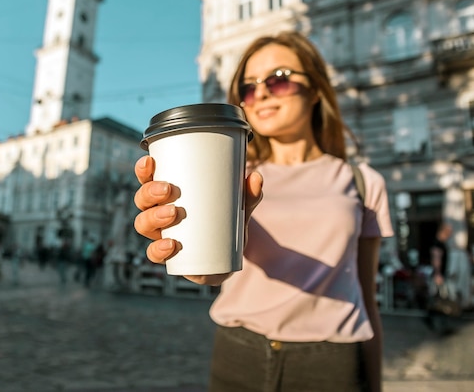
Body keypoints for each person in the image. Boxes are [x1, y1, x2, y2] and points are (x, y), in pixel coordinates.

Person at [134, 31, 393, 392]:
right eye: (249, 87)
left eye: (280, 80)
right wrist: (186, 253)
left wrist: (375, 382)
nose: (263, 93)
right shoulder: (227, 174)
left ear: (316, 88)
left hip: (333, 363)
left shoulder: (364, 181)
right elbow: (214, 274)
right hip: (238, 354)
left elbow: (368, 298)